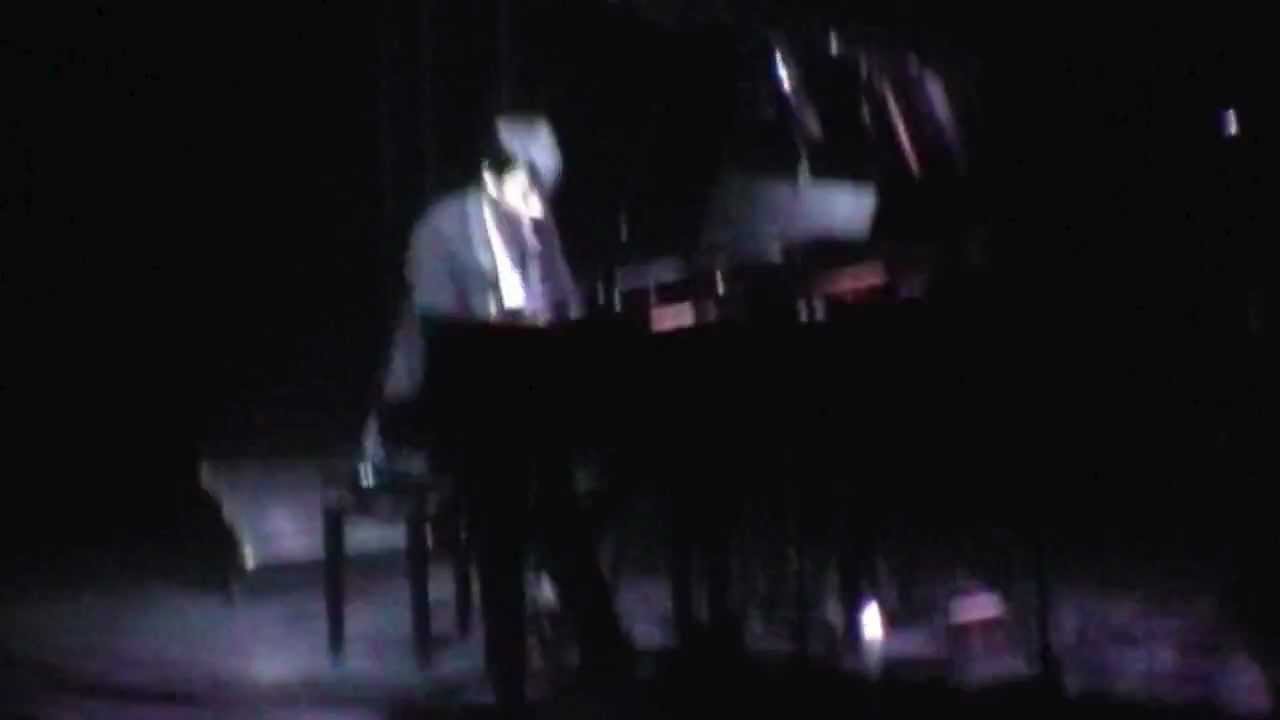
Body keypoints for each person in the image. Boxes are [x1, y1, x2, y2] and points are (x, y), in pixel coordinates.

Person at [367, 114, 630, 709]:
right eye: (527, 186)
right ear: (490, 176)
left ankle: (591, 648)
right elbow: (445, 344)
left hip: (514, 405)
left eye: (545, 190)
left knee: (552, 488)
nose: (539, 201)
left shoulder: (538, 224)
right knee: (515, 495)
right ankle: (526, 664)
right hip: (432, 403)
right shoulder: (439, 229)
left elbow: (564, 308)